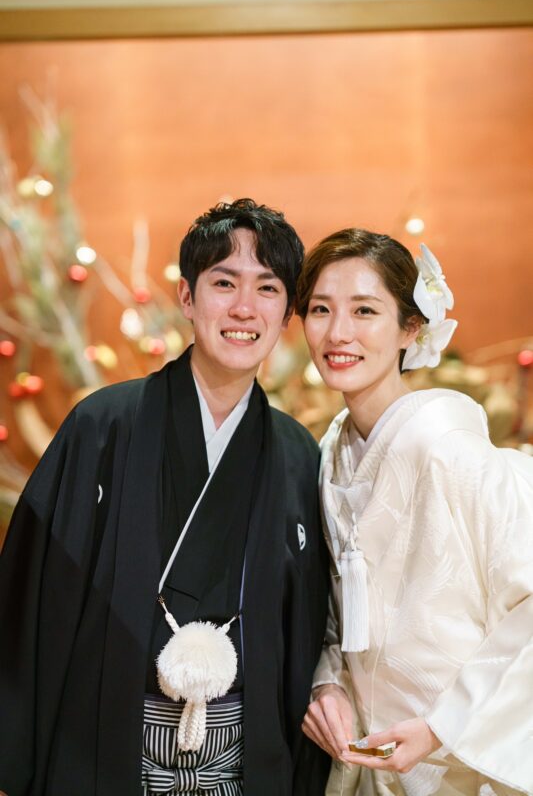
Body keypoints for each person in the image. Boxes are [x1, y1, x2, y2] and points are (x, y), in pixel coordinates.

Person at [0, 198, 330, 796]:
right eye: (223, 283)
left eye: (267, 288)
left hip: (238, 758)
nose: (244, 308)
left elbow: (305, 628)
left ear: (287, 314)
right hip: (106, 745)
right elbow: (31, 598)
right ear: (186, 297)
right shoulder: (102, 426)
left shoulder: (297, 453)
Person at [297, 228, 533, 796]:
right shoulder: (330, 454)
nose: (338, 332)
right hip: (371, 761)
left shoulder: (451, 449)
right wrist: (327, 685)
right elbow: (334, 616)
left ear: (411, 328)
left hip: (456, 762)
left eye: (364, 310)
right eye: (321, 309)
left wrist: (441, 728)